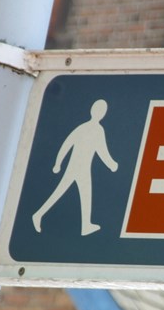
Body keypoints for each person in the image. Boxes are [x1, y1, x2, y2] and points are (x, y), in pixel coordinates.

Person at [32, 99, 118, 236]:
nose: (102, 113)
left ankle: (85, 225)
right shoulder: (96, 129)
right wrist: (112, 165)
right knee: (63, 193)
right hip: (78, 168)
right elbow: (101, 151)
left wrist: (58, 163)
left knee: (81, 195)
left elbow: (67, 145)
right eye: (101, 110)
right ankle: (38, 215)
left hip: (79, 167)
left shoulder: (84, 127)